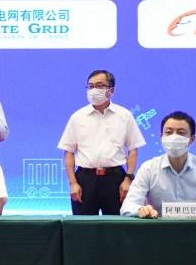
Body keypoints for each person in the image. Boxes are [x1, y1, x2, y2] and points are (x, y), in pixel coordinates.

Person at [58, 69, 147, 215]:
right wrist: (73, 183)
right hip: (85, 180)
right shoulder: (77, 117)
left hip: (115, 179)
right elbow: (68, 152)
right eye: (90, 86)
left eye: (99, 86)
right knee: (83, 226)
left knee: (118, 225)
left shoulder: (124, 115)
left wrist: (128, 179)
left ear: (111, 90)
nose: (94, 90)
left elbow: (133, 150)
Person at [122, 111, 196, 219]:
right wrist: (140, 210)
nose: (174, 137)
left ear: (192, 139)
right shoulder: (148, 168)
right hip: (158, 229)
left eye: (181, 133)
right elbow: (128, 206)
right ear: (161, 137)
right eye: (168, 132)